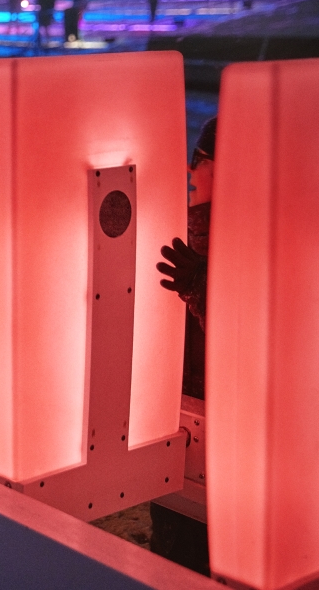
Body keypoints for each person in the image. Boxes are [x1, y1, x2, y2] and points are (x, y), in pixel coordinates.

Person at [150, 116, 216, 576]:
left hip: (236, 422)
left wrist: (201, 284)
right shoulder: (181, 220)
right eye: (202, 160)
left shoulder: (281, 227)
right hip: (177, 413)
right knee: (177, 546)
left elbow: (259, 336)